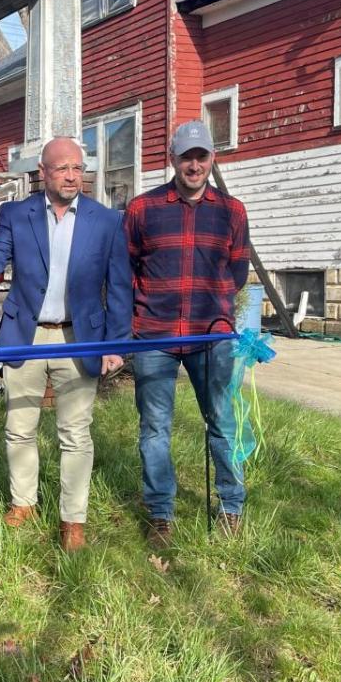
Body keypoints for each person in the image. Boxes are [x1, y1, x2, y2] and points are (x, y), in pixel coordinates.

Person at [0, 138, 131, 552]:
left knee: (75, 432)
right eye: (62, 168)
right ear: (43, 173)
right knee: (19, 426)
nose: (72, 176)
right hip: (26, 335)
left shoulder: (106, 221)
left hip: (79, 337)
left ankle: (73, 518)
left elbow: (119, 286)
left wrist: (115, 344)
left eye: (77, 168)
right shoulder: (17, 213)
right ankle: (23, 503)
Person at [124, 121, 250, 549]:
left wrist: (219, 313)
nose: (194, 165)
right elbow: (127, 268)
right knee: (154, 427)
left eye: (201, 156)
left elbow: (238, 270)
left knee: (222, 423)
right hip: (154, 335)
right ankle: (161, 512)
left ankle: (231, 506)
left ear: (212, 158)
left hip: (210, 337)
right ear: (172, 159)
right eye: (186, 157)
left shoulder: (232, 211)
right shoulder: (143, 209)